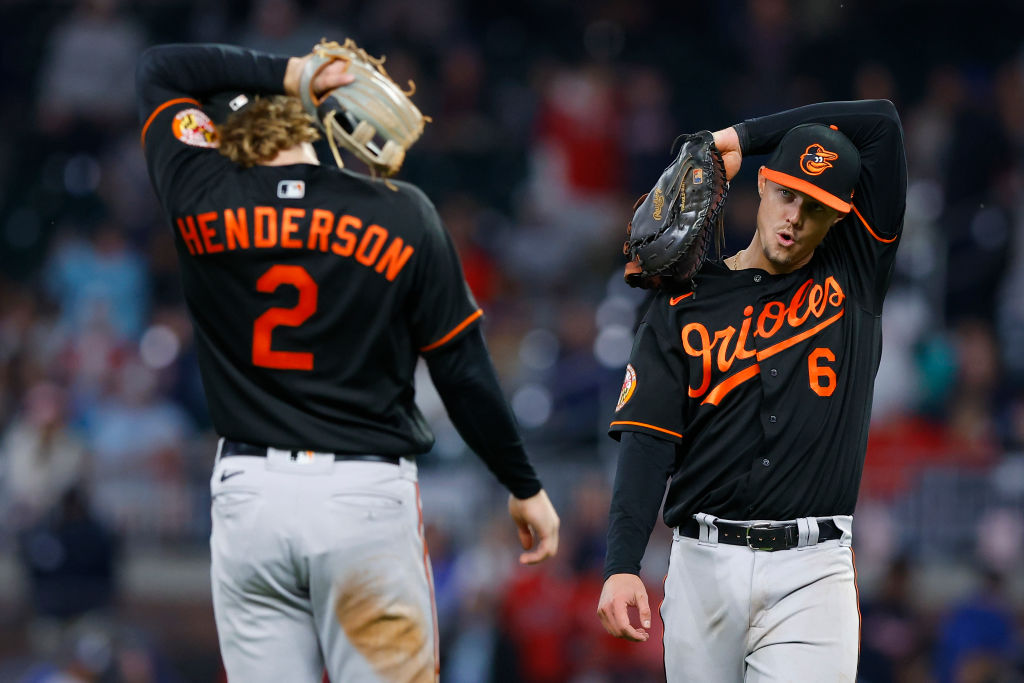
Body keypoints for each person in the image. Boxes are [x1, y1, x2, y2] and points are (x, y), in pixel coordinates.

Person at [135, 42, 560, 682]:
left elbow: (160, 69)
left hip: (250, 498)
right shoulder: (400, 211)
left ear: (221, 137)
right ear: (313, 123)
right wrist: (523, 486)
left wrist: (290, 72)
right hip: (362, 496)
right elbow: (462, 372)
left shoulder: (199, 193)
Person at [597, 99, 906, 682]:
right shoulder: (684, 303)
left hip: (812, 573)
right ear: (763, 184)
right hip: (702, 565)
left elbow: (882, 124)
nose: (795, 217)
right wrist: (622, 564)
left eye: (816, 207)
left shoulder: (855, 274)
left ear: (839, 217)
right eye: (788, 194)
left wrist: (737, 138)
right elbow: (647, 442)